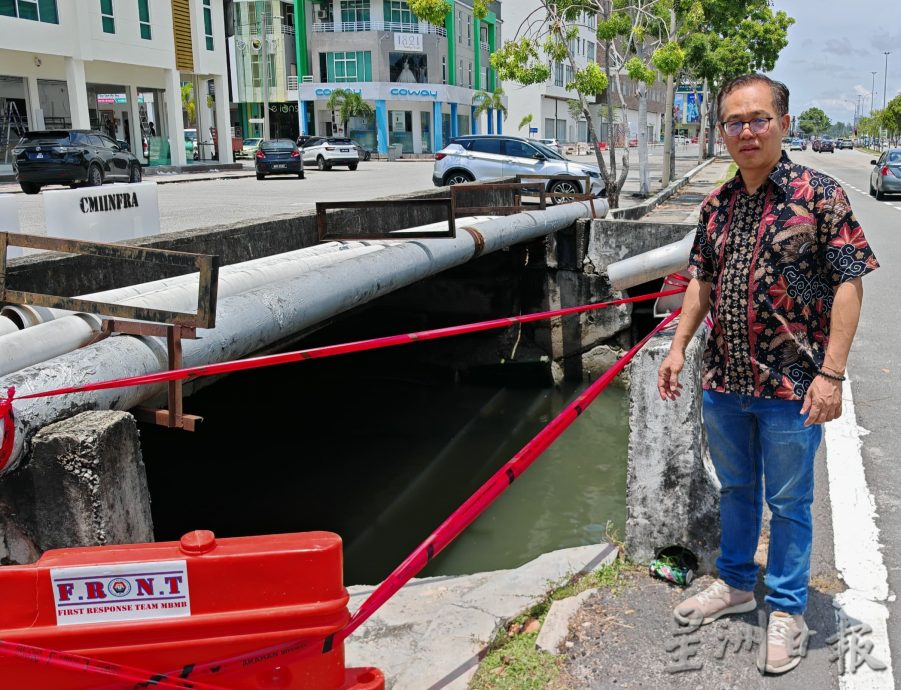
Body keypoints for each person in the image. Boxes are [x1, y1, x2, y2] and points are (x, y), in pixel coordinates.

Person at [657, 73, 878, 675]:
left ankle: (786, 608)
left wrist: (831, 375)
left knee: (789, 502)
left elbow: (849, 282)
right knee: (735, 490)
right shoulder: (717, 204)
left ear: (783, 121)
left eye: (758, 119)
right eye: (734, 121)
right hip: (724, 380)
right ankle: (733, 582)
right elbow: (700, 279)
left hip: (791, 384)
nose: (747, 131)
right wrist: (678, 346)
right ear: (722, 130)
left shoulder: (820, 195)